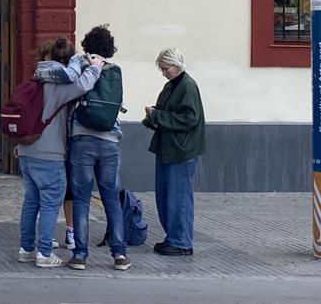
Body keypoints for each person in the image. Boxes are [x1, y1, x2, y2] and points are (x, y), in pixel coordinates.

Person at [17, 38, 102, 268]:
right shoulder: (58, 85)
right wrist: (96, 66)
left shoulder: (36, 78)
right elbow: (84, 84)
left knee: (30, 202)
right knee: (50, 203)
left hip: (26, 150)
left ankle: (26, 249)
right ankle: (44, 253)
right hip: (49, 153)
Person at [66, 25, 131, 271]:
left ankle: (80, 255)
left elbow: (72, 90)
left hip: (83, 138)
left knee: (81, 199)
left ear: (86, 45)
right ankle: (120, 254)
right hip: (110, 141)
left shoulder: (82, 64)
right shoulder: (116, 71)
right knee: (111, 199)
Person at [142, 47, 206, 256]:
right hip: (169, 148)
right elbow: (169, 113)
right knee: (166, 196)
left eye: (165, 68)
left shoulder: (188, 86)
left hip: (181, 151)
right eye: (161, 68)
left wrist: (157, 116)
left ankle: (181, 242)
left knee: (178, 198)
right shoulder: (172, 86)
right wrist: (153, 116)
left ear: (176, 65)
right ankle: (174, 237)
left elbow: (189, 118)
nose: (163, 72)